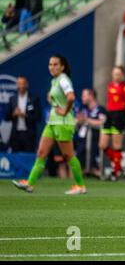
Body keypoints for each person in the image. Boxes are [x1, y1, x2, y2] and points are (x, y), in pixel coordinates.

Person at [12, 55, 87, 195]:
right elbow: (60, 100)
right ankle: (30, 184)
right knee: (41, 153)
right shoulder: (55, 80)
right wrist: (53, 102)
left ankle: (80, 185)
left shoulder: (63, 79)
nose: (52, 67)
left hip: (63, 123)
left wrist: (65, 111)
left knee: (68, 155)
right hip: (52, 122)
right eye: (50, 64)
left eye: (55, 64)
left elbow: (71, 97)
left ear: (62, 67)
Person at [99, 66, 125, 181]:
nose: (116, 76)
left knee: (116, 145)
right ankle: (118, 167)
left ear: (122, 75)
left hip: (119, 115)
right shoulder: (110, 86)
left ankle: (115, 173)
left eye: (118, 74)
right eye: (115, 74)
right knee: (103, 145)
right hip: (109, 114)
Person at [75, 89, 106, 178]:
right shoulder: (83, 109)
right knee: (78, 159)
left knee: (94, 163)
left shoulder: (100, 109)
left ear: (91, 96)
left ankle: (98, 174)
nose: (82, 98)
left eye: (84, 96)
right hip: (82, 140)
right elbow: (78, 121)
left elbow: (102, 122)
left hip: (95, 141)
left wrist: (87, 120)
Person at [5, 76, 41, 153]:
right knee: (15, 159)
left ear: (26, 84)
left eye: (23, 83)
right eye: (19, 83)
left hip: (29, 135)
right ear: (16, 85)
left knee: (28, 158)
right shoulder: (12, 99)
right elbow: (6, 117)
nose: (21, 86)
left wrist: (25, 115)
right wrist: (14, 114)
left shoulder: (34, 99)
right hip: (15, 135)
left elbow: (38, 118)